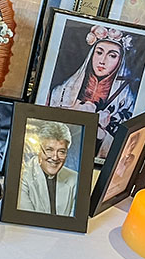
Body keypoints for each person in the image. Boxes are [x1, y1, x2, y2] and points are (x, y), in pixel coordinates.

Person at [48, 25, 137, 159]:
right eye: (99, 52)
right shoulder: (61, 92)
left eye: (112, 56)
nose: (102, 61)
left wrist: (101, 135)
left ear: (120, 61)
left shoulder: (127, 102)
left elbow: (126, 150)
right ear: (91, 54)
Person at [17, 121, 78, 216]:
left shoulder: (75, 178)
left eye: (61, 152)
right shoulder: (21, 176)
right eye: (49, 150)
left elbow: (74, 222)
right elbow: (28, 219)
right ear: (38, 149)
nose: (55, 157)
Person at [103, 130, 144, 200]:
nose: (131, 147)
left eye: (134, 144)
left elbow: (119, 176)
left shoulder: (130, 158)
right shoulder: (113, 155)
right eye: (130, 143)